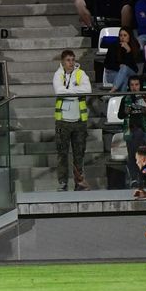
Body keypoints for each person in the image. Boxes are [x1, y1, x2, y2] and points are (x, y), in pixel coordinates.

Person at [53, 49, 92, 192]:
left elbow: (88, 89)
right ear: (63, 61)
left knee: (79, 154)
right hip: (63, 121)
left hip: (79, 121)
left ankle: (79, 182)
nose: (71, 63)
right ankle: (63, 183)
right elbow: (58, 91)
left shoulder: (81, 74)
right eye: (68, 60)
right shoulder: (58, 74)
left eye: (73, 60)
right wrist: (76, 90)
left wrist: (68, 91)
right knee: (62, 154)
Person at [118, 76, 146, 188]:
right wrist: (125, 112)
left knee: (134, 152)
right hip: (129, 130)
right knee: (136, 151)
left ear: (140, 85)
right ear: (129, 86)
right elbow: (120, 115)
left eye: (136, 84)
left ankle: (136, 178)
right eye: (132, 85)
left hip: (143, 130)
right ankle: (138, 178)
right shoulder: (125, 99)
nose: (134, 87)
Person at [104, 27, 141, 93]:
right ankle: (122, 97)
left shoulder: (135, 45)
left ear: (129, 36)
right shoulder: (113, 46)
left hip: (131, 72)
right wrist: (119, 67)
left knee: (124, 68)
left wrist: (128, 51)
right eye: (120, 35)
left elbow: (134, 66)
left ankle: (113, 90)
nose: (122, 37)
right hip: (112, 73)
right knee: (124, 78)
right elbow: (107, 64)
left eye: (125, 35)